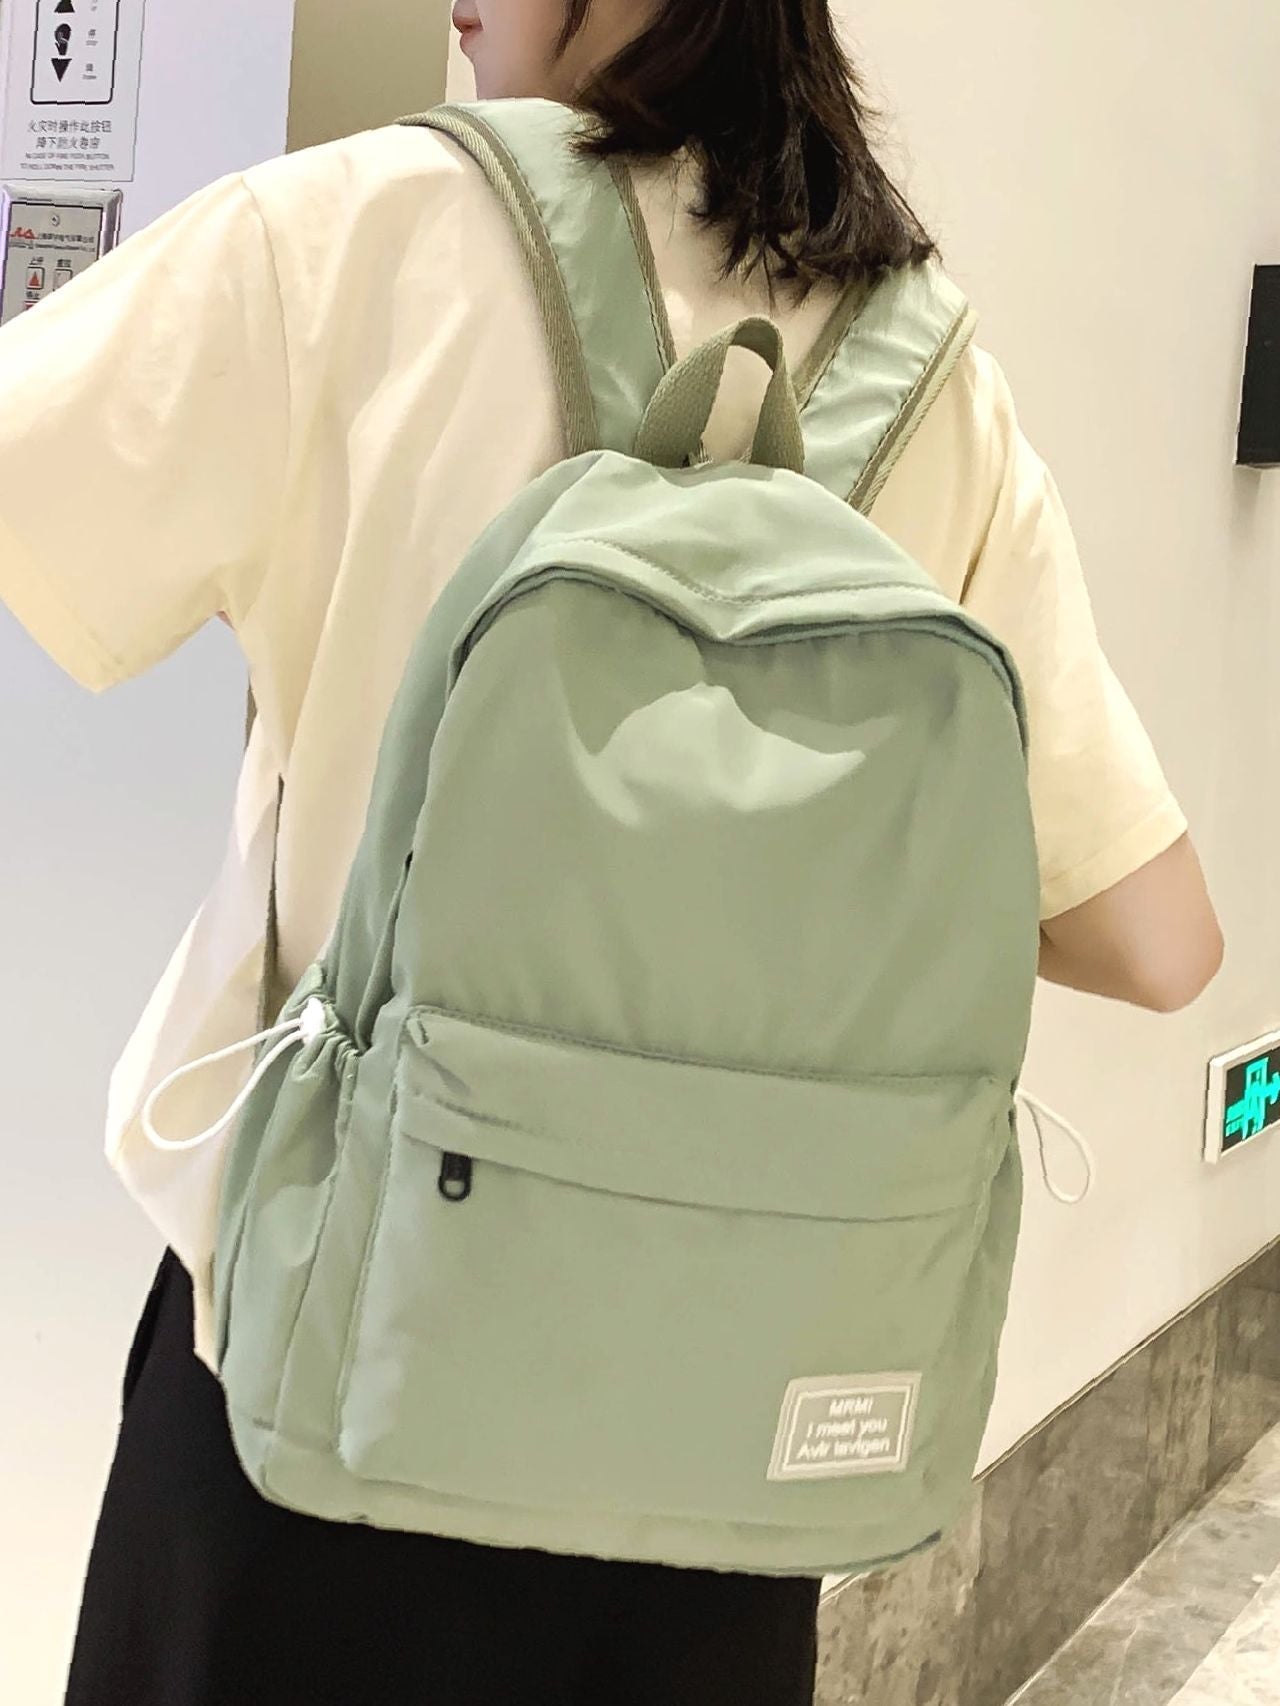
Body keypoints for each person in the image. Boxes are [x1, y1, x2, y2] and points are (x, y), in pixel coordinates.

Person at [0, 2, 1223, 1702]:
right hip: (717, 1474)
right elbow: (1158, 940)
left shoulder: (346, 236)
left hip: (316, 1416)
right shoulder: (925, 369)